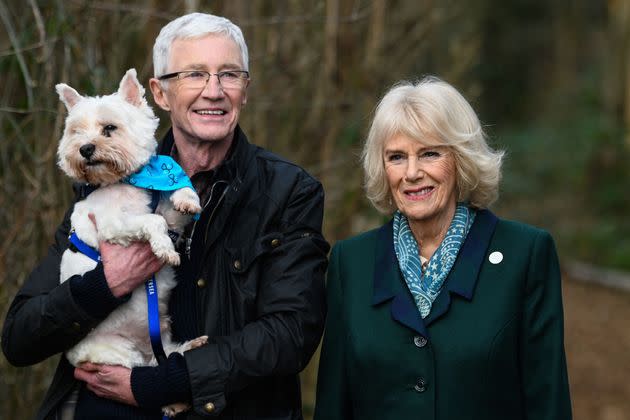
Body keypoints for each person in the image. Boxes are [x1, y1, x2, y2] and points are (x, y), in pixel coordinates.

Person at [2, 12, 329, 420]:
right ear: (159, 93)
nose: (214, 91)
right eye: (194, 74)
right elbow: (20, 338)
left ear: (245, 90)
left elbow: (291, 333)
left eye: (229, 74)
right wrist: (105, 285)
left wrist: (159, 383)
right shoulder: (104, 184)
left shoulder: (288, 192)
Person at [314, 76, 572, 420]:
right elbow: (334, 405)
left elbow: (548, 402)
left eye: (429, 153)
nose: (412, 173)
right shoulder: (352, 263)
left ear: (461, 160)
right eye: (396, 157)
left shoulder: (526, 254)